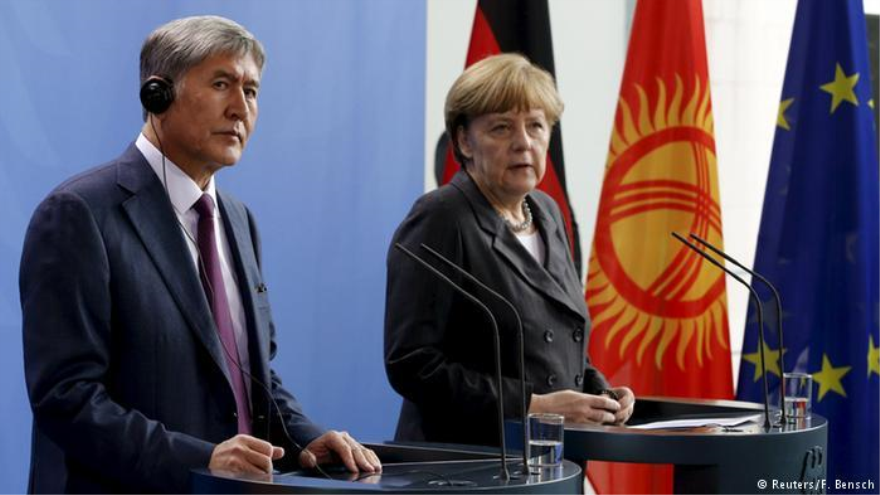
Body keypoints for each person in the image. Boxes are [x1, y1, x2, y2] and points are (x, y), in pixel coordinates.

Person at [20, 16, 380, 495]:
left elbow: (251, 375)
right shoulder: (79, 214)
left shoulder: (237, 218)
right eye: (221, 84)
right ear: (158, 96)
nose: (240, 108)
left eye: (251, 91)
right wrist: (201, 460)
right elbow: (67, 399)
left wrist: (307, 439)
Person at [384, 53, 635, 447]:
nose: (523, 142)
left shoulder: (548, 213)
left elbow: (554, 343)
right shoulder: (441, 218)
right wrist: (532, 405)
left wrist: (599, 393)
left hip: (550, 460)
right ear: (464, 141)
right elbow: (412, 363)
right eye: (502, 128)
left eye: (536, 126)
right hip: (466, 464)